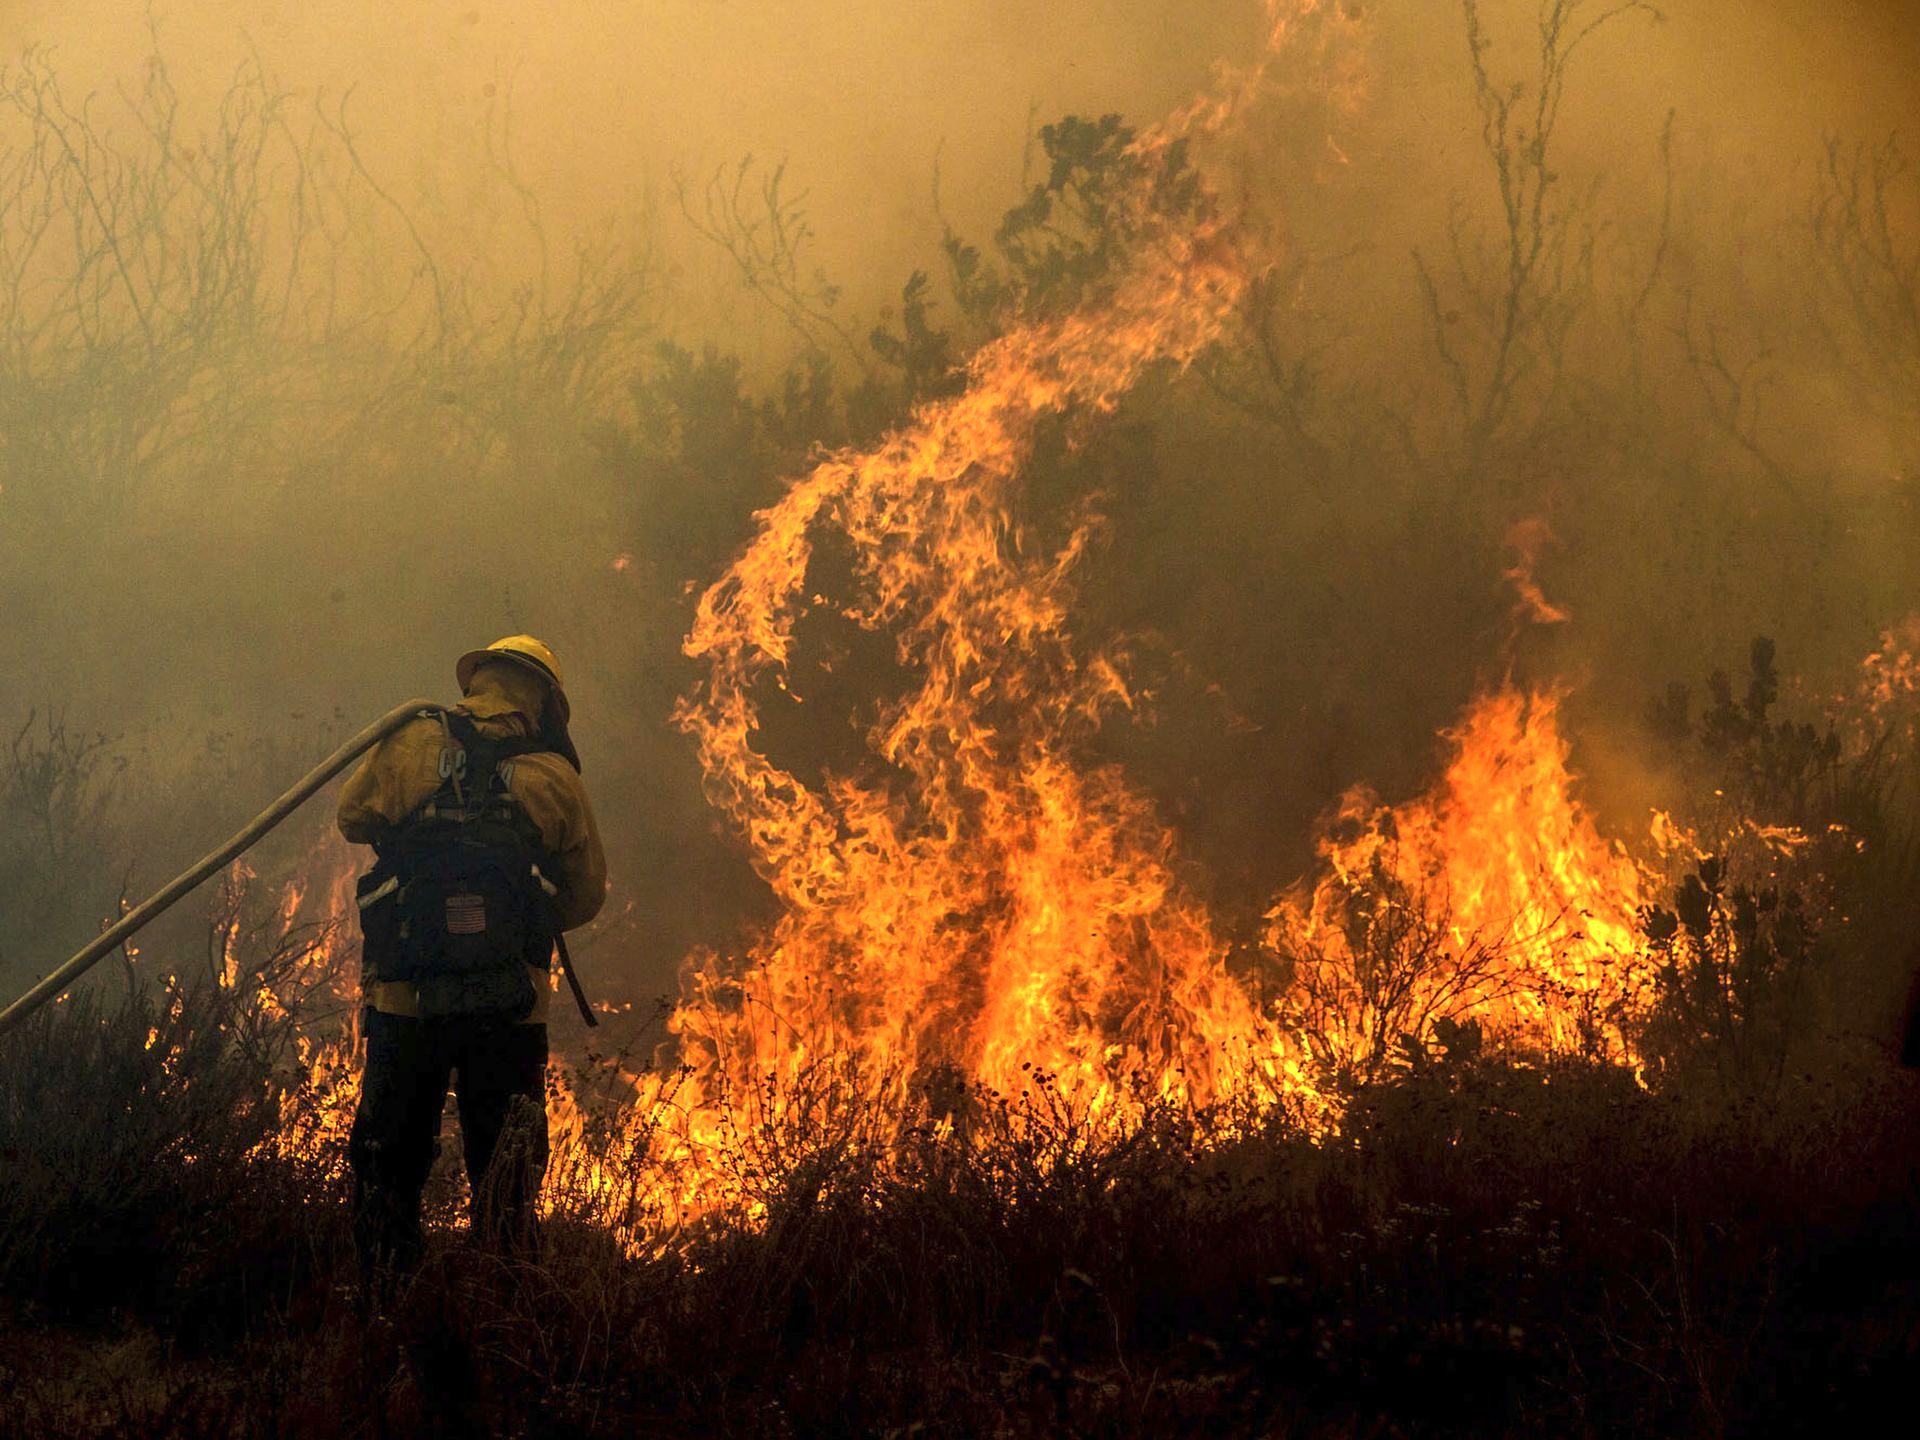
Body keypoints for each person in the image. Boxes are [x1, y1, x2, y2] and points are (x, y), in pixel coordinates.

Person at [337, 636, 606, 1275]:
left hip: (406, 997)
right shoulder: (556, 777)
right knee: (505, 1167)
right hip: (510, 1006)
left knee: (390, 1159)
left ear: (476, 679)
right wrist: (516, 921)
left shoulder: (408, 741)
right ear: (546, 701)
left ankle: (382, 1299)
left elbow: (352, 817)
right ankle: (500, 1301)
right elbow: (585, 896)